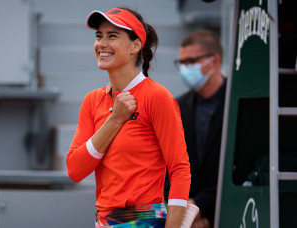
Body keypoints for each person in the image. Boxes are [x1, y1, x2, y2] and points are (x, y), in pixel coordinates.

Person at [66, 7, 191, 228]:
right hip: (103, 221)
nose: (102, 44)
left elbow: (180, 170)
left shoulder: (157, 96)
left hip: (145, 220)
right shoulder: (92, 100)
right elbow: (75, 170)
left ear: (135, 46)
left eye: (112, 36)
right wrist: (115, 120)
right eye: (98, 36)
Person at [164, 29, 226, 228]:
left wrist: (201, 207)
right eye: (181, 63)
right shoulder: (177, 106)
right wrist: (183, 207)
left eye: (190, 62)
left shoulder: (238, 103)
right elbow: (167, 165)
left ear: (215, 62)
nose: (184, 68)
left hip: (227, 213)